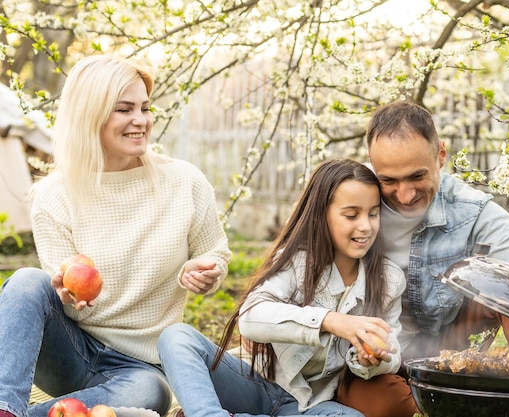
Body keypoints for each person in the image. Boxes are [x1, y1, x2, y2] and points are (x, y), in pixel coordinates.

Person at [0, 55, 232, 417]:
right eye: (124, 110)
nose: (141, 121)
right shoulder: (54, 196)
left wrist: (208, 271)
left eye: (145, 108)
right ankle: (5, 406)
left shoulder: (185, 182)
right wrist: (66, 294)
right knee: (27, 281)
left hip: (138, 368)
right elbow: (61, 292)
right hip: (72, 351)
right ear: (91, 116)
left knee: (151, 393)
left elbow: (215, 252)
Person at [334, 101, 509, 417]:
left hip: (448, 349)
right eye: (389, 180)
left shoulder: (472, 210)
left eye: (417, 176)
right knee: (378, 406)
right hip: (375, 357)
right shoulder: (349, 204)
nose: (404, 195)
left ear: (441, 155)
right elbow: (298, 264)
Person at [157, 159, 406, 417]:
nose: (365, 226)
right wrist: (329, 321)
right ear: (322, 214)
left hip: (309, 404)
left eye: (373, 213)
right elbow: (250, 317)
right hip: (252, 385)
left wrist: (370, 360)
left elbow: (393, 352)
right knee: (176, 337)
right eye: (351, 215)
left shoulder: (389, 279)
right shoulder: (297, 261)